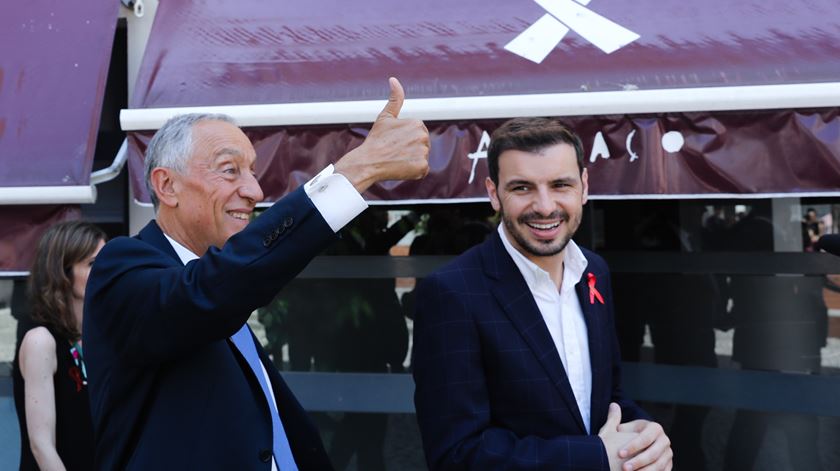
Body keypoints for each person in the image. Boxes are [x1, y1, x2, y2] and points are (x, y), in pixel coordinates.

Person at [83, 77, 429, 470]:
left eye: (251, 171)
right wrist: (359, 168)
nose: (254, 190)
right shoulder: (123, 268)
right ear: (167, 185)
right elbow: (215, 288)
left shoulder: (217, 287)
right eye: (230, 170)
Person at [412, 117, 673, 471]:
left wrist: (646, 437)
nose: (546, 206)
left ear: (583, 187)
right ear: (494, 193)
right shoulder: (451, 293)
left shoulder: (594, 272)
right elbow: (457, 454)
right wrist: (595, 457)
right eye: (522, 188)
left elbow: (604, 399)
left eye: (560, 185)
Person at [13, 221, 106, 470]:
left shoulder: (100, 337)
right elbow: (41, 446)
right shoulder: (41, 341)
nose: (106, 271)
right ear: (63, 273)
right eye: (93, 264)